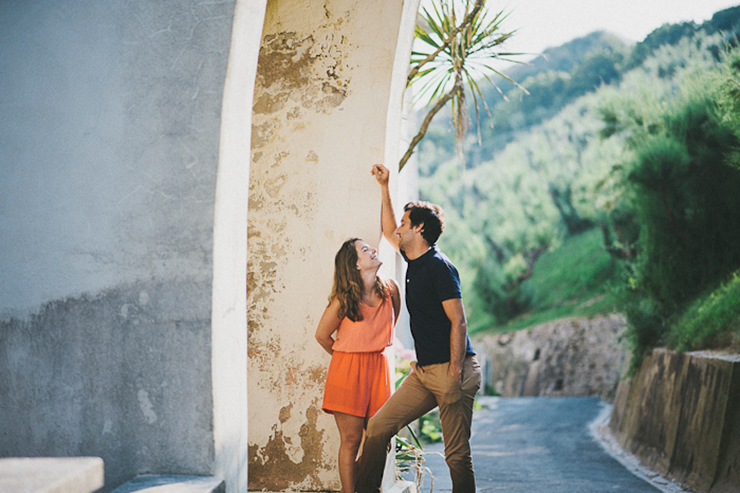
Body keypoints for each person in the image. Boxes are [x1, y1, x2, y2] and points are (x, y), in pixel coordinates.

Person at [355, 164, 482, 493]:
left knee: (455, 455)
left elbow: (459, 320)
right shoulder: (414, 260)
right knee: (378, 428)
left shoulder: (440, 267)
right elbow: (387, 230)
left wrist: (454, 372)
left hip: (453, 370)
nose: (398, 228)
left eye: (404, 223)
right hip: (425, 373)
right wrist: (384, 187)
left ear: (419, 228)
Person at [315, 238, 401, 493]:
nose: (373, 250)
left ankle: (364, 488)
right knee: (351, 441)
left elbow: (390, 323)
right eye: (366, 250)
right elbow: (322, 336)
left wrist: (369, 348)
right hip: (347, 371)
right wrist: (347, 358)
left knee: (380, 439)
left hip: (378, 368)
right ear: (354, 265)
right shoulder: (343, 300)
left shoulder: (391, 290)